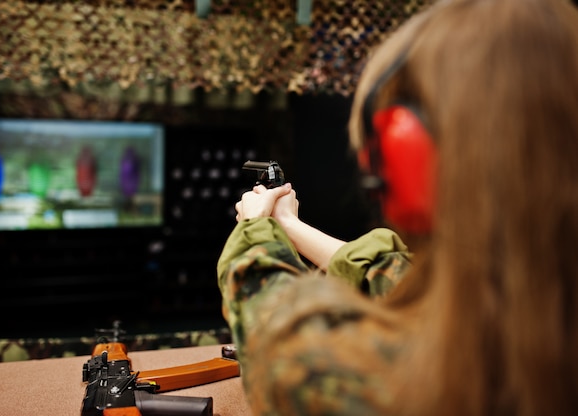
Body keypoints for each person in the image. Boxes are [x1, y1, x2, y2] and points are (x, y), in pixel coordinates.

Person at [216, 0, 578, 414]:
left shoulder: (397, 381)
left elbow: (281, 346)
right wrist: (289, 226)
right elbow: (398, 275)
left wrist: (255, 232)